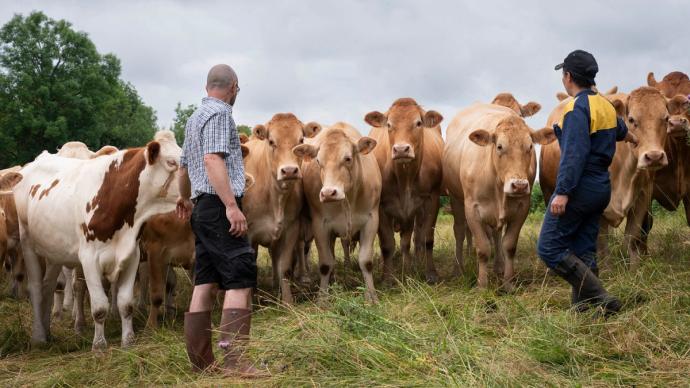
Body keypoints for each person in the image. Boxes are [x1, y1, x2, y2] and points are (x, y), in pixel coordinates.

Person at [176, 64, 266, 377]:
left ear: (207, 86)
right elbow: (211, 159)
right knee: (240, 273)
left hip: (201, 206)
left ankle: (202, 363)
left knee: (205, 280)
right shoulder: (220, 114)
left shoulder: (193, 118)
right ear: (234, 87)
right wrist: (231, 205)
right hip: (217, 205)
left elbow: (183, 167)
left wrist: (184, 198)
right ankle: (237, 362)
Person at [537, 50, 637, 316]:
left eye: (563, 74)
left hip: (579, 186)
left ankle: (602, 297)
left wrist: (562, 192)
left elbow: (574, 154)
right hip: (601, 187)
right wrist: (634, 139)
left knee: (548, 247)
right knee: (584, 249)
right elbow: (622, 130)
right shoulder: (604, 105)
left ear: (568, 76)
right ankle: (582, 311)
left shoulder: (574, 109)